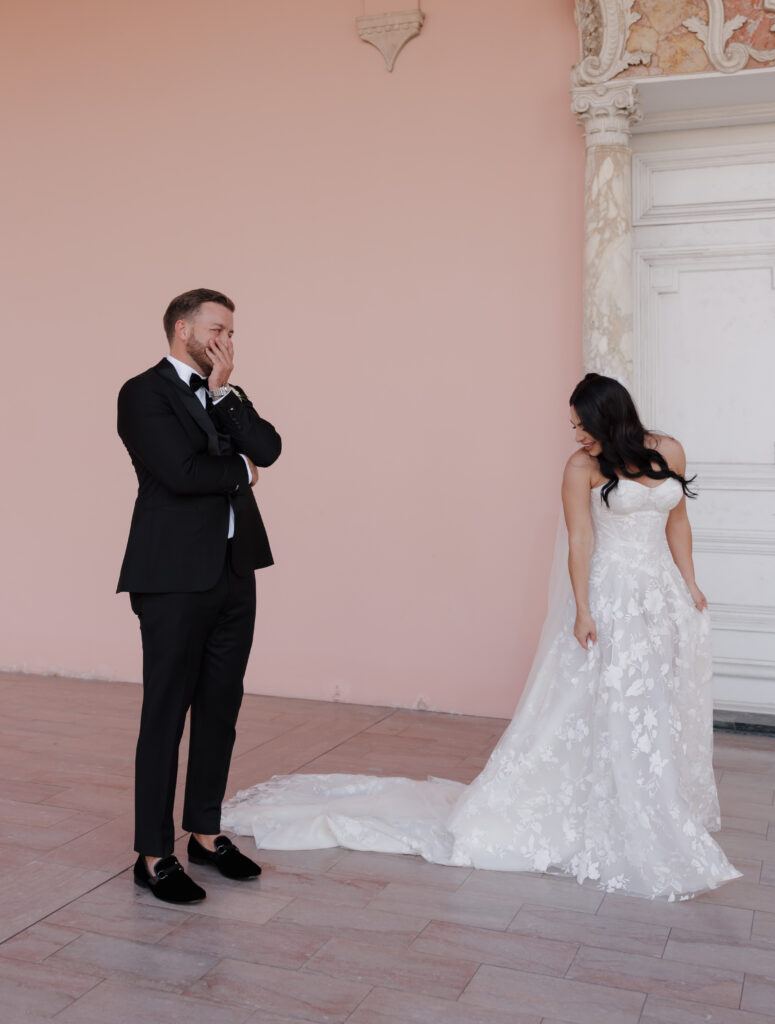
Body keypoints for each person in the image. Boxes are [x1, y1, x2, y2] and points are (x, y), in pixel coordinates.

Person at [223, 373, 739, 900]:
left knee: (652, 702)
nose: (576, 436)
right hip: (609, 597)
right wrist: (583, 609)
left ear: (611, 418)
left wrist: (690, 584)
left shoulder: (667, 450)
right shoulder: (582, 467)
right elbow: (580, 541)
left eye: (583, 426)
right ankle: (611, 806)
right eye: (573, 427)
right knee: (601, 704)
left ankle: (651, 801)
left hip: (659, 598)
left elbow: (678, 521)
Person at [117, 287, 282, 904]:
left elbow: (268, 447)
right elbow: (181, 473)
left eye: (233, 333)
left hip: (235, 572)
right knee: (165, 713)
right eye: (219, 330)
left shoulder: (224, 394)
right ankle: (152, 854)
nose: (228, 343)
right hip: (172, 578)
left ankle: (205, 835)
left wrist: (221, 395)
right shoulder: (142, 393)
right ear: (183, 329)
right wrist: (238, 471)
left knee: (221, 707)